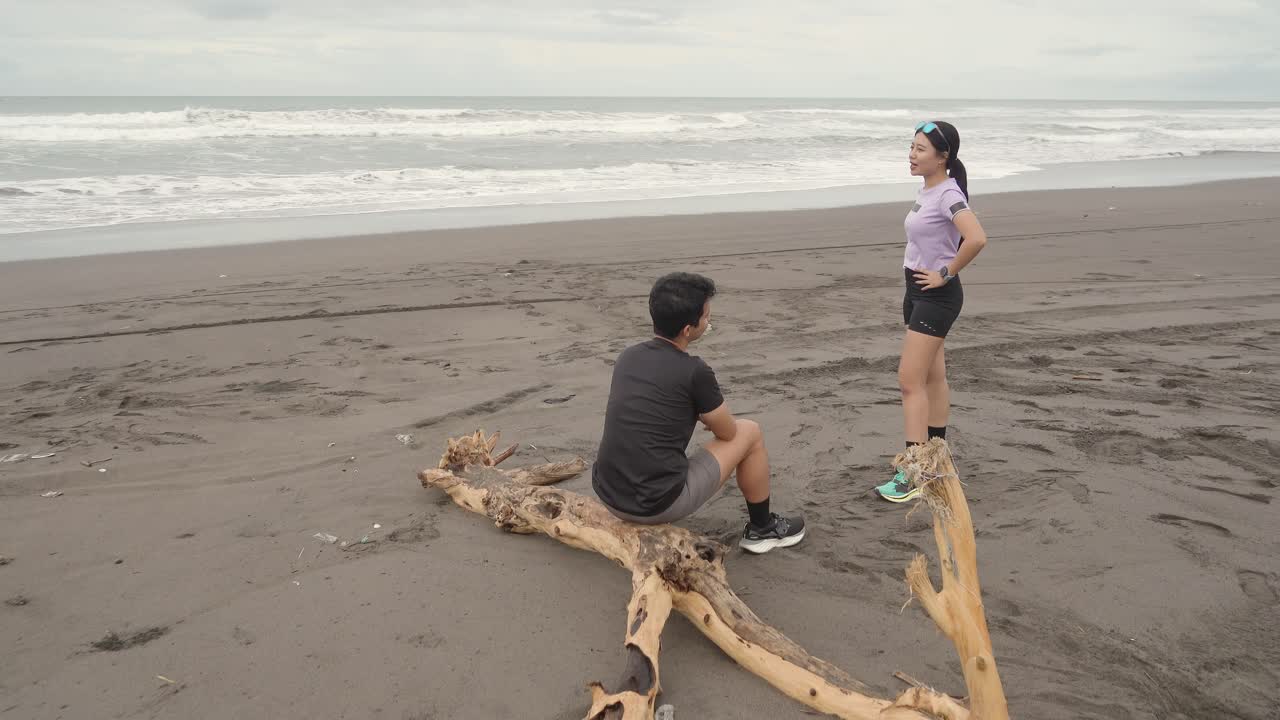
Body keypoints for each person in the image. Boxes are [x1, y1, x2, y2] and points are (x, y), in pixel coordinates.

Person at [592, 272, 805, 554]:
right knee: (749, 431)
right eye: (706, 317)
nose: (709, 321)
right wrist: (705, 415)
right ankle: (762, 529)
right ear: (688, 330)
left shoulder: (628, 356)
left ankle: (761, 528)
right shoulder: (694, 370)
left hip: (608, 493)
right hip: (654, 505)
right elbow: (728, 432)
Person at [876, 121, 989, 502]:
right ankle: (937, 457)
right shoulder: (929, 189)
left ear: (943, 157)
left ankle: (915, 474)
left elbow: (976, 238)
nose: (912, 154)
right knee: (933, 377)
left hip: (936, 295)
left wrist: (946, 272)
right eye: (911, 147)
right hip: (917, 290)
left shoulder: (948, 195)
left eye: (921, 149)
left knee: (910, 381)